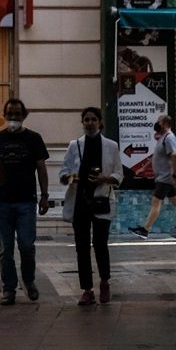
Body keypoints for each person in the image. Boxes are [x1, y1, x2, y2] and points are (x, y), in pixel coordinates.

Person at [0, 98, 50, 305]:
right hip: (3, 202)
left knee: (27, 246)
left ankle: (29, 280)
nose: (13, 118)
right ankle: (9, 289)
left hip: (26, 202)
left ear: (24, 115)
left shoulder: (34, 139)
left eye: (17, 114)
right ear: (4, 115)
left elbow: (41, 168)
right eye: (10, 114)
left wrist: (45, 196)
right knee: (5, 249)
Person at [60, 107, 122, 305]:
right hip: (80, 202)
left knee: (100, 244)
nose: (90, 122)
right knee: (82, 247)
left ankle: (104, 281)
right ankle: (87, 289)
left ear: (100, 122)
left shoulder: (111, 146)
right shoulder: (74, 146)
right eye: (86, 119)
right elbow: (64, 171)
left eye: (93, 119)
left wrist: (105, 178)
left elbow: (119, 174)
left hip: (101, 199)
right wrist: (71, 178)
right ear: (82, 122)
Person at [130, 114, 176, 238]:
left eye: (159, 122)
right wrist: (144, 167)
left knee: (156, 201)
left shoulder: (169, 138)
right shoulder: (163, 138)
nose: (156, 124)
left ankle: (145, 229)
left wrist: (175, 174)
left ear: (165, 124)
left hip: (166, 177)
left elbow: (175, 156)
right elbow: (155, 156)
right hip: (164, 177)